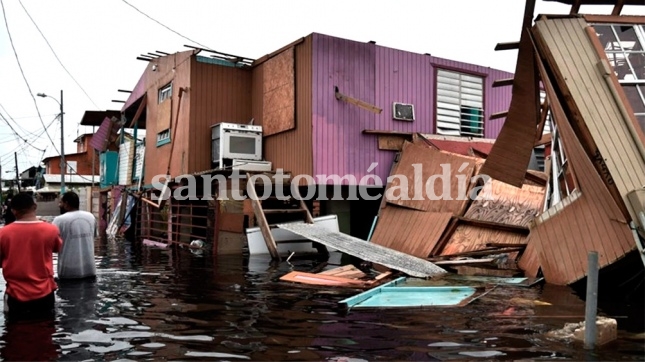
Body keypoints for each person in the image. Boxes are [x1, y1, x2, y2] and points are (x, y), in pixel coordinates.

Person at [0, 192, 62, 320]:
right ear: (35, 206)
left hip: (15, 294)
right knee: (45, 333)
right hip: (45, 293)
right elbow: (57, 248)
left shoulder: (3, 233)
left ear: (13, 211)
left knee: (14, 334)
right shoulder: (51, 230)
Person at [53, 191, 97, 279]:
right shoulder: (91, 217)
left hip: (68, 273)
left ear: (66, 203)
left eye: (61, 202)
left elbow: (53, 246)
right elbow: (94, 237)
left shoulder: (59, 220)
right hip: (90, 271)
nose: (59, 205)